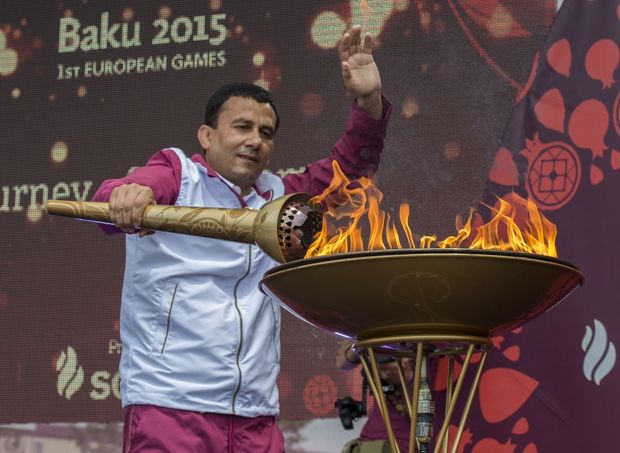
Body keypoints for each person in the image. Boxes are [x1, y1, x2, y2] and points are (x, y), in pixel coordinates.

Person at [92, 25, 392, 453]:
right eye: (242, 127)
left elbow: (349, 171)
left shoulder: (281, 197)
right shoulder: (177, 175)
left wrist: (369, 101)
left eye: (266, 133)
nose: (255, 140)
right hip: (170, 407)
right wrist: (126, 195)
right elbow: (113, 200)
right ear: (207, 135)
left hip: (255, 415)